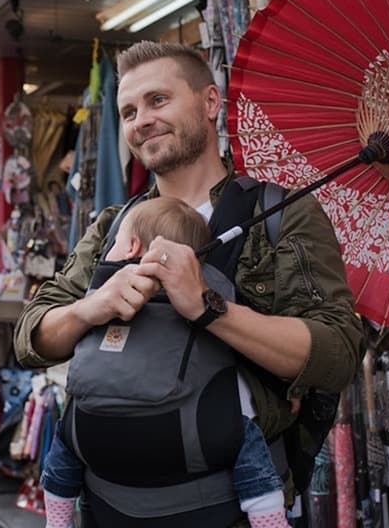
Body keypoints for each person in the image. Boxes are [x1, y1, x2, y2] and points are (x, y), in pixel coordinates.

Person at [13, 42, 364, 525]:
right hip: (104, 504)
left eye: (159, 100)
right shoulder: (113, 226)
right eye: (129, 111)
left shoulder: (279, 215)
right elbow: (32, 335)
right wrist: (91, 307)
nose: (141, 121)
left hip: (228, 504)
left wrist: (208, 306)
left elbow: (338, 352)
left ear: (210, 103)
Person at [41, 196, 287, 528]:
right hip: (195, 430)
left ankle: (57, 520)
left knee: (64, 440)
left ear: (131, 247)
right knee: (244, 430)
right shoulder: (205, 287)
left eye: (113, 245)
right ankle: (267, 515)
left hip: (96, 432)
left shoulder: (104, 293)